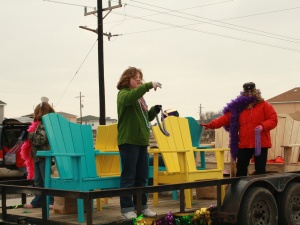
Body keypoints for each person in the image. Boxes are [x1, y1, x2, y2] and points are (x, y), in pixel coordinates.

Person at [201, 82, 278, 177]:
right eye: (247, 91)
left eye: (251, 91)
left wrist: (263, 126)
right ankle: (240, 188)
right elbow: (225, 118)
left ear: (255, 91)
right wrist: (211, 124)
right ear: (244, 92)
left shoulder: (264, 105)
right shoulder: (239, 107)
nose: (249, 93)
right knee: (241, 167)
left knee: (260, 169)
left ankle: (260, 190)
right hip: (245, 143)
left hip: (260, 143)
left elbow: (273, 119)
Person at [116, 66, 161, 219]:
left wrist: (153, 111)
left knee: (142, 176)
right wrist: (148, 86)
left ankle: (141, 206)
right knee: (129, 176)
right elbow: (130, 98)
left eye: (140, 78)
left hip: (141, 141)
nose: (139, 80)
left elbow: (145, 118)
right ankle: (127, 209)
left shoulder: (140, 99)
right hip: (128, 140)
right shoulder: (123, 94)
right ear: (126, 79)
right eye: (135, 77)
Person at [22, 97, 55, 208]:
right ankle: (39, 200)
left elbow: (40, 139)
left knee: (46, 179)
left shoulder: (44, 124)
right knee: (38, 180)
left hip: (44, 155)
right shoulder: (42, 124)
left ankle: (50, 200)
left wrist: (29, 135)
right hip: (38, 155)